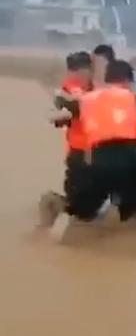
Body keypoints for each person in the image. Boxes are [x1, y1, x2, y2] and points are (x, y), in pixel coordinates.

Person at [49, 60, 136, 228]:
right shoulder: (134, 99)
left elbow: (58, 116)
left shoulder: (87, 99)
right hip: (130, 164)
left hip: (97, 162)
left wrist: (67, 103)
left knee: (83, 212)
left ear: (107, 78)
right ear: (128, 81)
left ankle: (63, 215)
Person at [38, 52, 95, 228]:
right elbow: (59, 112)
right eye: (75, 72)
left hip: (99, 151)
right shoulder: (68, 89)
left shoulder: (98, 86)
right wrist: (66, 112)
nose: (78, 75)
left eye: (82, 71)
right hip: (79, 151)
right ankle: (51, 206)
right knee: (78, 202)